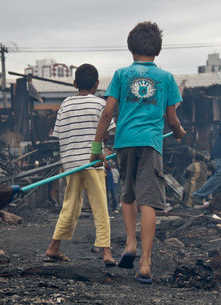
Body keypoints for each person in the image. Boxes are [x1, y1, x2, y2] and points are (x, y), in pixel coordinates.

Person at [90, 21, 186, 284]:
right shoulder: (166, 78)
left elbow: (107, 112)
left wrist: (96, 149)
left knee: (128, 194)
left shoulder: (121, 75)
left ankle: (130, 244)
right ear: (158, 50)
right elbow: (172, 118)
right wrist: (178, 132)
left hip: (125, 142)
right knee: (150, 201)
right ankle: (145, 262)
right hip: (151, 143)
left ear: (131, 48)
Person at [45, 64, 117, 267]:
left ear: (75, 84)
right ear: (96, 84)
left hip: (70, 162)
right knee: (100, 205)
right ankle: (106, 252)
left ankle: (54, 246)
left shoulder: (65, 105)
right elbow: (107, 132)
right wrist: (101, 150)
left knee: (70, 205)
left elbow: (59, 134)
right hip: (92, 160)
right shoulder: (99, 104)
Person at [104, 147, 119, 212]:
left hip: (113, 177)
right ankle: (108, 207)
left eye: (106, 151)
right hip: (106, 177)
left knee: (114, 192)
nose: (105, 152)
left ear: (110, 151)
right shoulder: (104, 159)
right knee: (106, 192)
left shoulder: (113, 158)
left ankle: (115, 206)